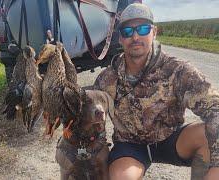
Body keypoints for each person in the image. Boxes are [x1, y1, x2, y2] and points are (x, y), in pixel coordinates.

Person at [93, 3, 219, 180]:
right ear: (120, 38)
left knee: (208, 135)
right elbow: (88, 120)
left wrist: (217, 165)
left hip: (172, 139)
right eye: (128, 32)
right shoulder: (107, 79)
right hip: (130, 146)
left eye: (143, 29)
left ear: (154, 32)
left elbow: (215, 108)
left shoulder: (178, 70)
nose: (135, 36)